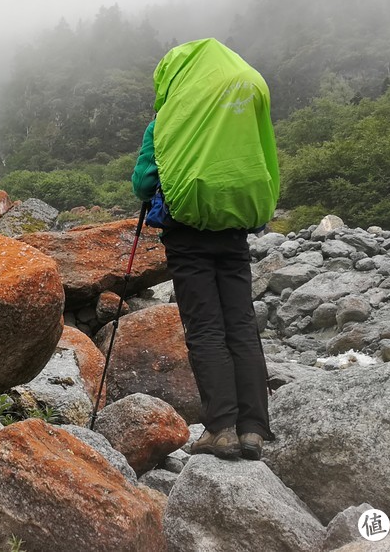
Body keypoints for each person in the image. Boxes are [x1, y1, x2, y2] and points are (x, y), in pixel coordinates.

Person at [132, 38, 278, 461]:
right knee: (241, 324)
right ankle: (253, 429)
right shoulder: (242, 112)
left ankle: (222, 428)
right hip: (234, 232)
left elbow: (144, 183)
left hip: (189, 236)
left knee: (206, 330)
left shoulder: (167, 120)